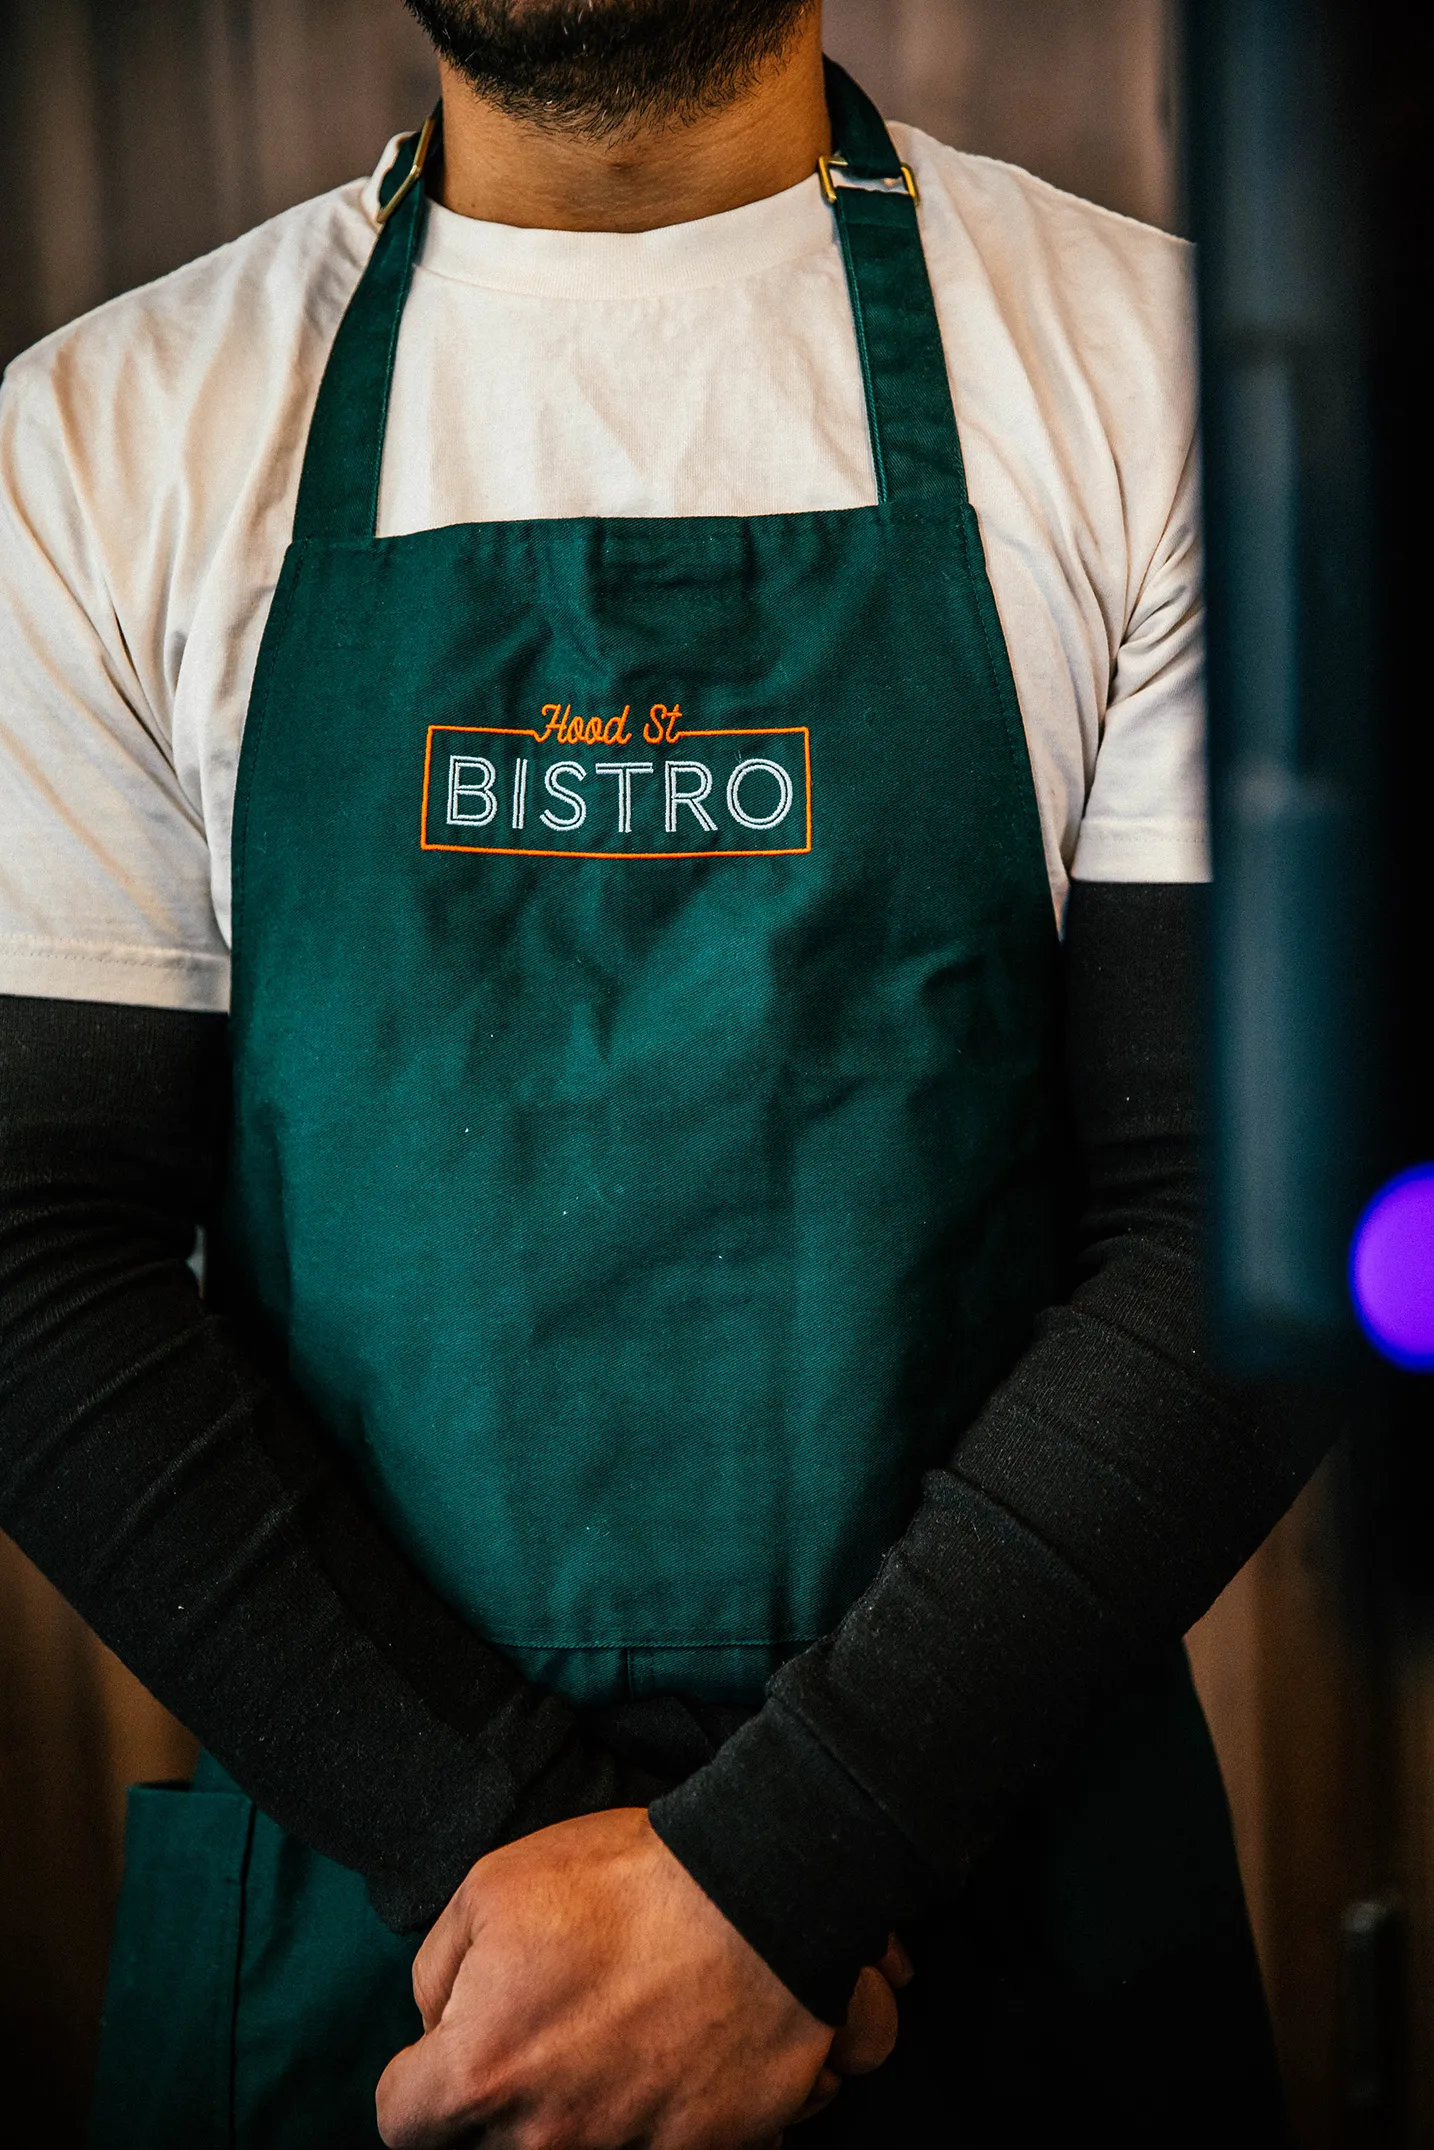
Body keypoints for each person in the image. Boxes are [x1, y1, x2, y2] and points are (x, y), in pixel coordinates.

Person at [0, 4, 1318, 2144]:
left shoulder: (1176, 394)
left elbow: (1256, 1205)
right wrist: (525, 1867)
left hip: (990, 1911)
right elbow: (27, 1243)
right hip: (398, 1960)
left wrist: (786, 1873)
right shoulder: (100, 446)